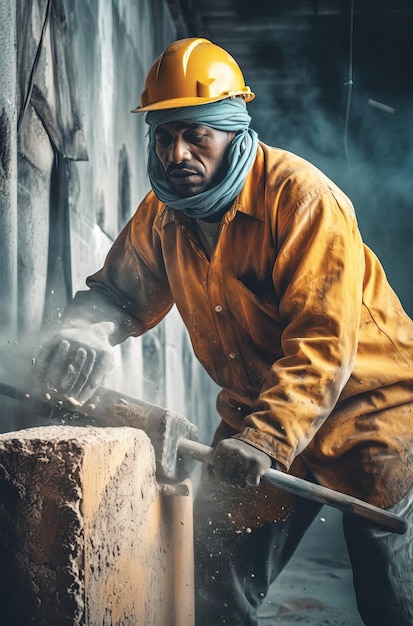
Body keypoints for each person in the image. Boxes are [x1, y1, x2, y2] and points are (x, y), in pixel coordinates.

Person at [34, 38, 413, 625]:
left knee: (387, 588)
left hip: (370, 410)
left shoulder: (303, 199)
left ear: (233, 130)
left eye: (196, 135)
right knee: (214, 574)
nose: (176, 153)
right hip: (259, 409)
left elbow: (321, 343)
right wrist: (87, 331)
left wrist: (265, 440)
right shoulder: (166, 215)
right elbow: (114, 294)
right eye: (163, 136)